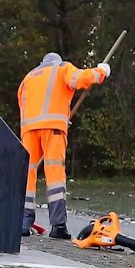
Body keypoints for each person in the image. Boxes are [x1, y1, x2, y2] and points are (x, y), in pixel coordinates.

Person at [16, 52, 108, 239]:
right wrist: (101, 71)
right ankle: (58, 226)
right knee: (55, 176)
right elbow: (81, 79)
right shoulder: (61, 68)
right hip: (53, 129)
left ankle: (24, 222)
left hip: (28, 130)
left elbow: (24, 104)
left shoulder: (29, 77)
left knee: (27, 175)